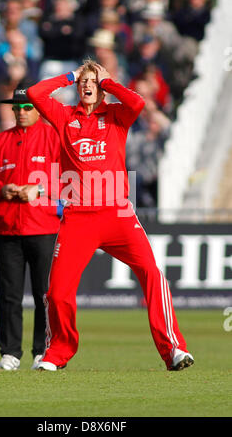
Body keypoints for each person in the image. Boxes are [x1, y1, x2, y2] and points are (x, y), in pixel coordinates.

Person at [26, 59, 194, 372]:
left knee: (152, 274)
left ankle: (173, 349)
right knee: (58, 291)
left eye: (92, 82)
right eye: (82, 83)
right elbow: (35, 93)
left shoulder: (116, 114)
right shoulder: (65, 117)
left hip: (117, 213)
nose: (87, 86)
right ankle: (56, 353)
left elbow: (138, 101)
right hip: (78, 217)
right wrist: (70, 75)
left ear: (101, 87)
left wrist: (109, 83)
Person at [0, 82, 62, 371]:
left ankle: (42, 350)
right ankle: (10, 352)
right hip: (8, 228)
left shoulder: (55, 138)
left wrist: (39, 188)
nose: (21, 112)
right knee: (9, 295)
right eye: (17, 108)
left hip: (44, 226)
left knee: (43, 295)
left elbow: (69, 179)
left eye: (27, 107)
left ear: (38, 109)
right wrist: (2, 190)